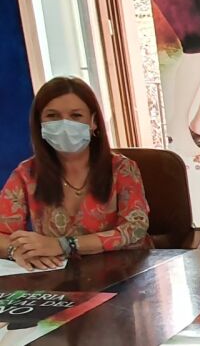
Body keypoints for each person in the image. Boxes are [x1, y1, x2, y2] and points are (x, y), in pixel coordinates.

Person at [0, 77, 153, 271]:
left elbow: (135, 228)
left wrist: (65, 245)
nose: (65, 124)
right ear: (39, 123)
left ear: (94, 121)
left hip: (126, 272)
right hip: (59, 276)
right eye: (53, 116)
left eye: (76, 115)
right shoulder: (25, 174)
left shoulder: (122, 168)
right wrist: (16, 250)